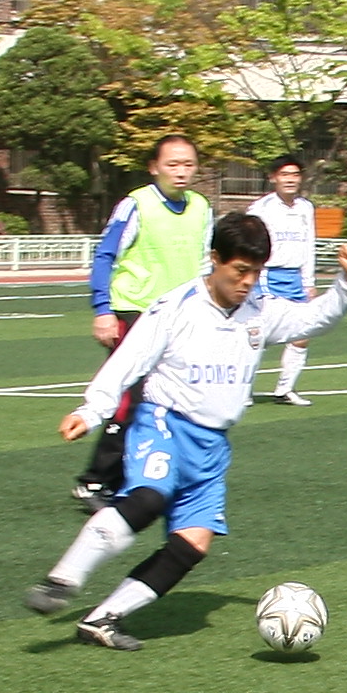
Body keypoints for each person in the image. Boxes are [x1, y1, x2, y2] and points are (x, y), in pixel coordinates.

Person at [29, 214, 347, 649]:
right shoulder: (176, 307)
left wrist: (346, 284)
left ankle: (103, 619)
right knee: (149, 496)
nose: (248, 282)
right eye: (239, 271)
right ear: (215, 260)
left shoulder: (259, 310)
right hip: (164, 424)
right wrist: (92, 409)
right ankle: (62, 579)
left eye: (255, 272)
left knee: (193, 543)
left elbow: (310, 320)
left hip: (211, 447)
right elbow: (129, 360)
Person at [72, 134, 213, 506]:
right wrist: (103, 309)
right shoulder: (137, 204)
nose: (181, 172)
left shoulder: (201, 207)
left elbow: (203, 264)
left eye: (188, 164)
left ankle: (147, 475)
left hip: (179, 317)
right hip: (135, 312)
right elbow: (105, 256)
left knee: (174, 398)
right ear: (154, 167)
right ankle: (95, 481)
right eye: (172, 164)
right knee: (130, 397)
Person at [245, 154, 325, 403]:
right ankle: (242, 389)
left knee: (303, 332)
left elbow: (309, 244)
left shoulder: (305, 207)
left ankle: (284, 389)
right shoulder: (261, 209)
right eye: (284, 174)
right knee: (259, 334)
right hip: (269, 276)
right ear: (273, 178)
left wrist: (308, 281)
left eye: (295, 174)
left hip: (295, 278)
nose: (290, 180)